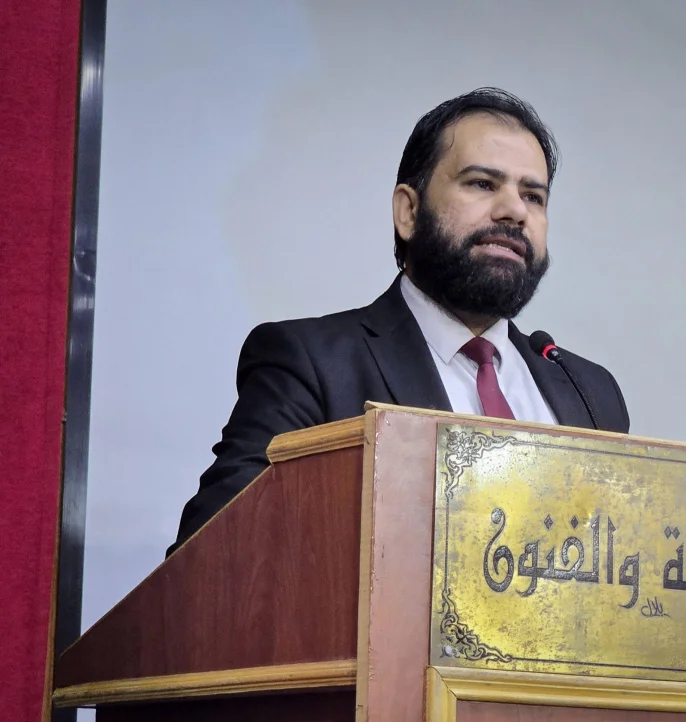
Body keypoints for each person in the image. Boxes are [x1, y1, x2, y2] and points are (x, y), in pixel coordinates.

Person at [169, 88, 629, 555]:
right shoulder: (315, 366)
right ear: (409, 212)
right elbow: (212, 556)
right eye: (482, 184)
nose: (515, 211)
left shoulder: (591, 394)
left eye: (533, 196)